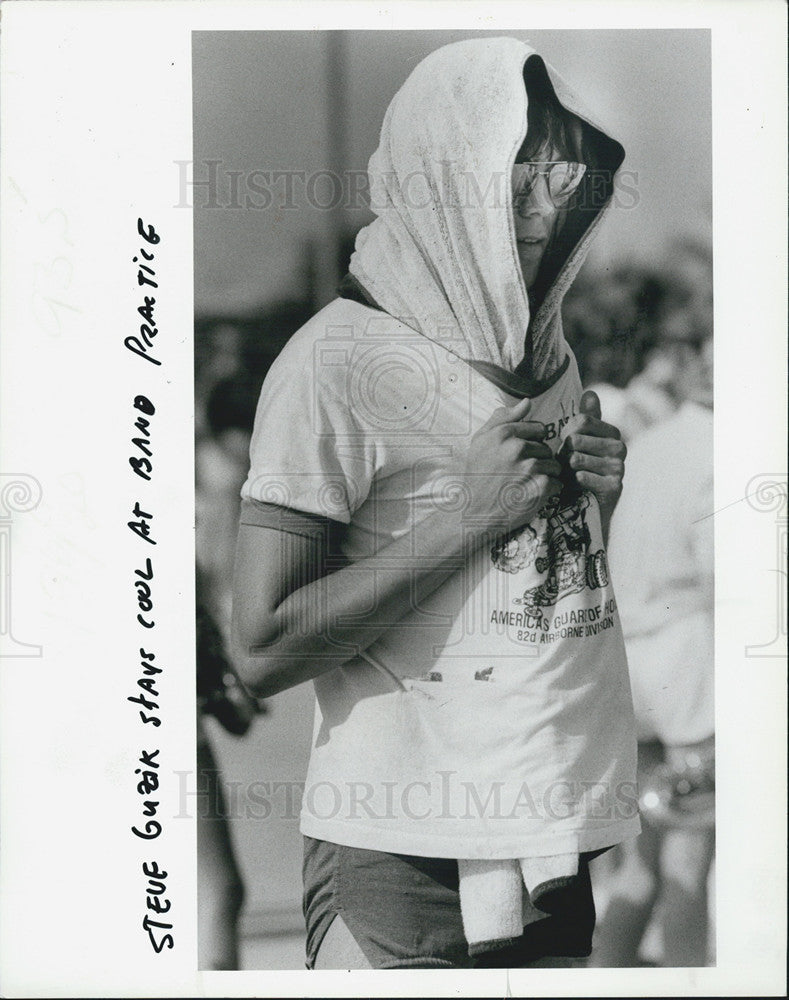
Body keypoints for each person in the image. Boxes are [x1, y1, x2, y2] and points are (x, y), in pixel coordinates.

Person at [232, 37, 639, 969]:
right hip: (396, 853)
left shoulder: (545, 352)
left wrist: (586, 503)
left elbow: (527, 603)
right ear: (445, 176)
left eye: (563, 174)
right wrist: (473, 514)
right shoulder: (331, 362)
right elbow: (260, 649)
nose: (546, 205)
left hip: (548, 832)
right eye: (517, 173)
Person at [590, 318, 714, 968]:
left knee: (642, 857)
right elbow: (731, 587)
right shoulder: (723, 451)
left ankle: (604, 973)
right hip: (690, 680)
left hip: (632, 674)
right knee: (688, 859)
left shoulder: (653, 443)